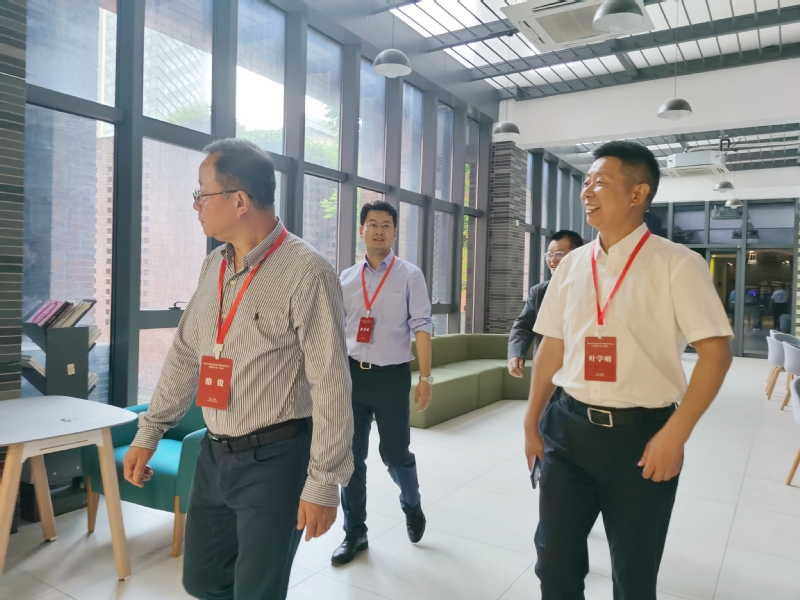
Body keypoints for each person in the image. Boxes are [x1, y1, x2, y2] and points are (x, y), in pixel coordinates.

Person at [122, 139, 354, 600]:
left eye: (202, 193)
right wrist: (149, 432)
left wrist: (324, 483)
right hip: (213, 454)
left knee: (256, 591)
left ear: (240, 200)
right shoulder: (214, 265)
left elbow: (330, 383)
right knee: (204, 581)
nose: (196, 205)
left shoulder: (307, 271)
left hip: (275, 459)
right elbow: (185, 354)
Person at [524, 141, 733, 600]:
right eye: (585, 182)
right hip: (567, 429)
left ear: (638, 194)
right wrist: (531, 422)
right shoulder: (571, 265)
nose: (586, 192)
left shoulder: (677, 264)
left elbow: (716, 353)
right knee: (554, 564)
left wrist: (675, 435)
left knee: (634, 578)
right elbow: (552, 347)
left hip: (642, 440)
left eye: (599, 182)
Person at [332, 200, 433, 565]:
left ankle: (412, 503)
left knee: (394, 454)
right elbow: (334, 330)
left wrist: (425, 377)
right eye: (372, 224)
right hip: (352, 376)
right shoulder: (345, 278)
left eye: (386, 225)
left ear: (394, 232)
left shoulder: (410, 275)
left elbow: (422, 326)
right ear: (362, 230)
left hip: (391, 377)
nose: (378, 230)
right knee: (351, 457)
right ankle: (355, 532)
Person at [508, 230, 584, 378]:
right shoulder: (539, 292)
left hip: (580, 370)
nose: (552, 260)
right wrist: (516, 353)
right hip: (546, 370)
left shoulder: (592, 289)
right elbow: (523, 326)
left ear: (578, 255)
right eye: (549, 254)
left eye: (559, 254)